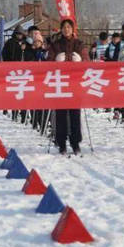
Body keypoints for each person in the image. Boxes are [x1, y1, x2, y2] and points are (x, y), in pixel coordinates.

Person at [47, 19, 87, 155]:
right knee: (61, 115)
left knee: (75, 114)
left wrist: (81, 61)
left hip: (75, 84)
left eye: (69, 27)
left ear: (73, 29)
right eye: (64, 27)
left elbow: (87, 62)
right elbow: (48, 62)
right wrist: (55, 61)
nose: (66, 29)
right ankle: (61, 142)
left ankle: (75, 143)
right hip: (60, 84)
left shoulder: (79, 44)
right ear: (61, 29)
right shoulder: (55, 45)